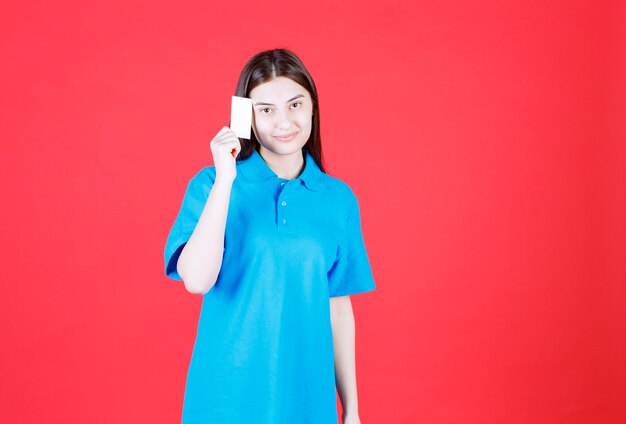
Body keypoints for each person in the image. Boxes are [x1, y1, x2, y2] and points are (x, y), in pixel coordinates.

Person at [164, 48, 376, 424]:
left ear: (312, 107)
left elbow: (338, 310)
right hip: (224, 397)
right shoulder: (212, 184)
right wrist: (227, 177)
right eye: (266, 110)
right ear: (246, 117)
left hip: (307, 400)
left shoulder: (338, 199)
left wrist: (353, 410)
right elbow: (196, 281)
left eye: (295, 104)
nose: (284, 121)